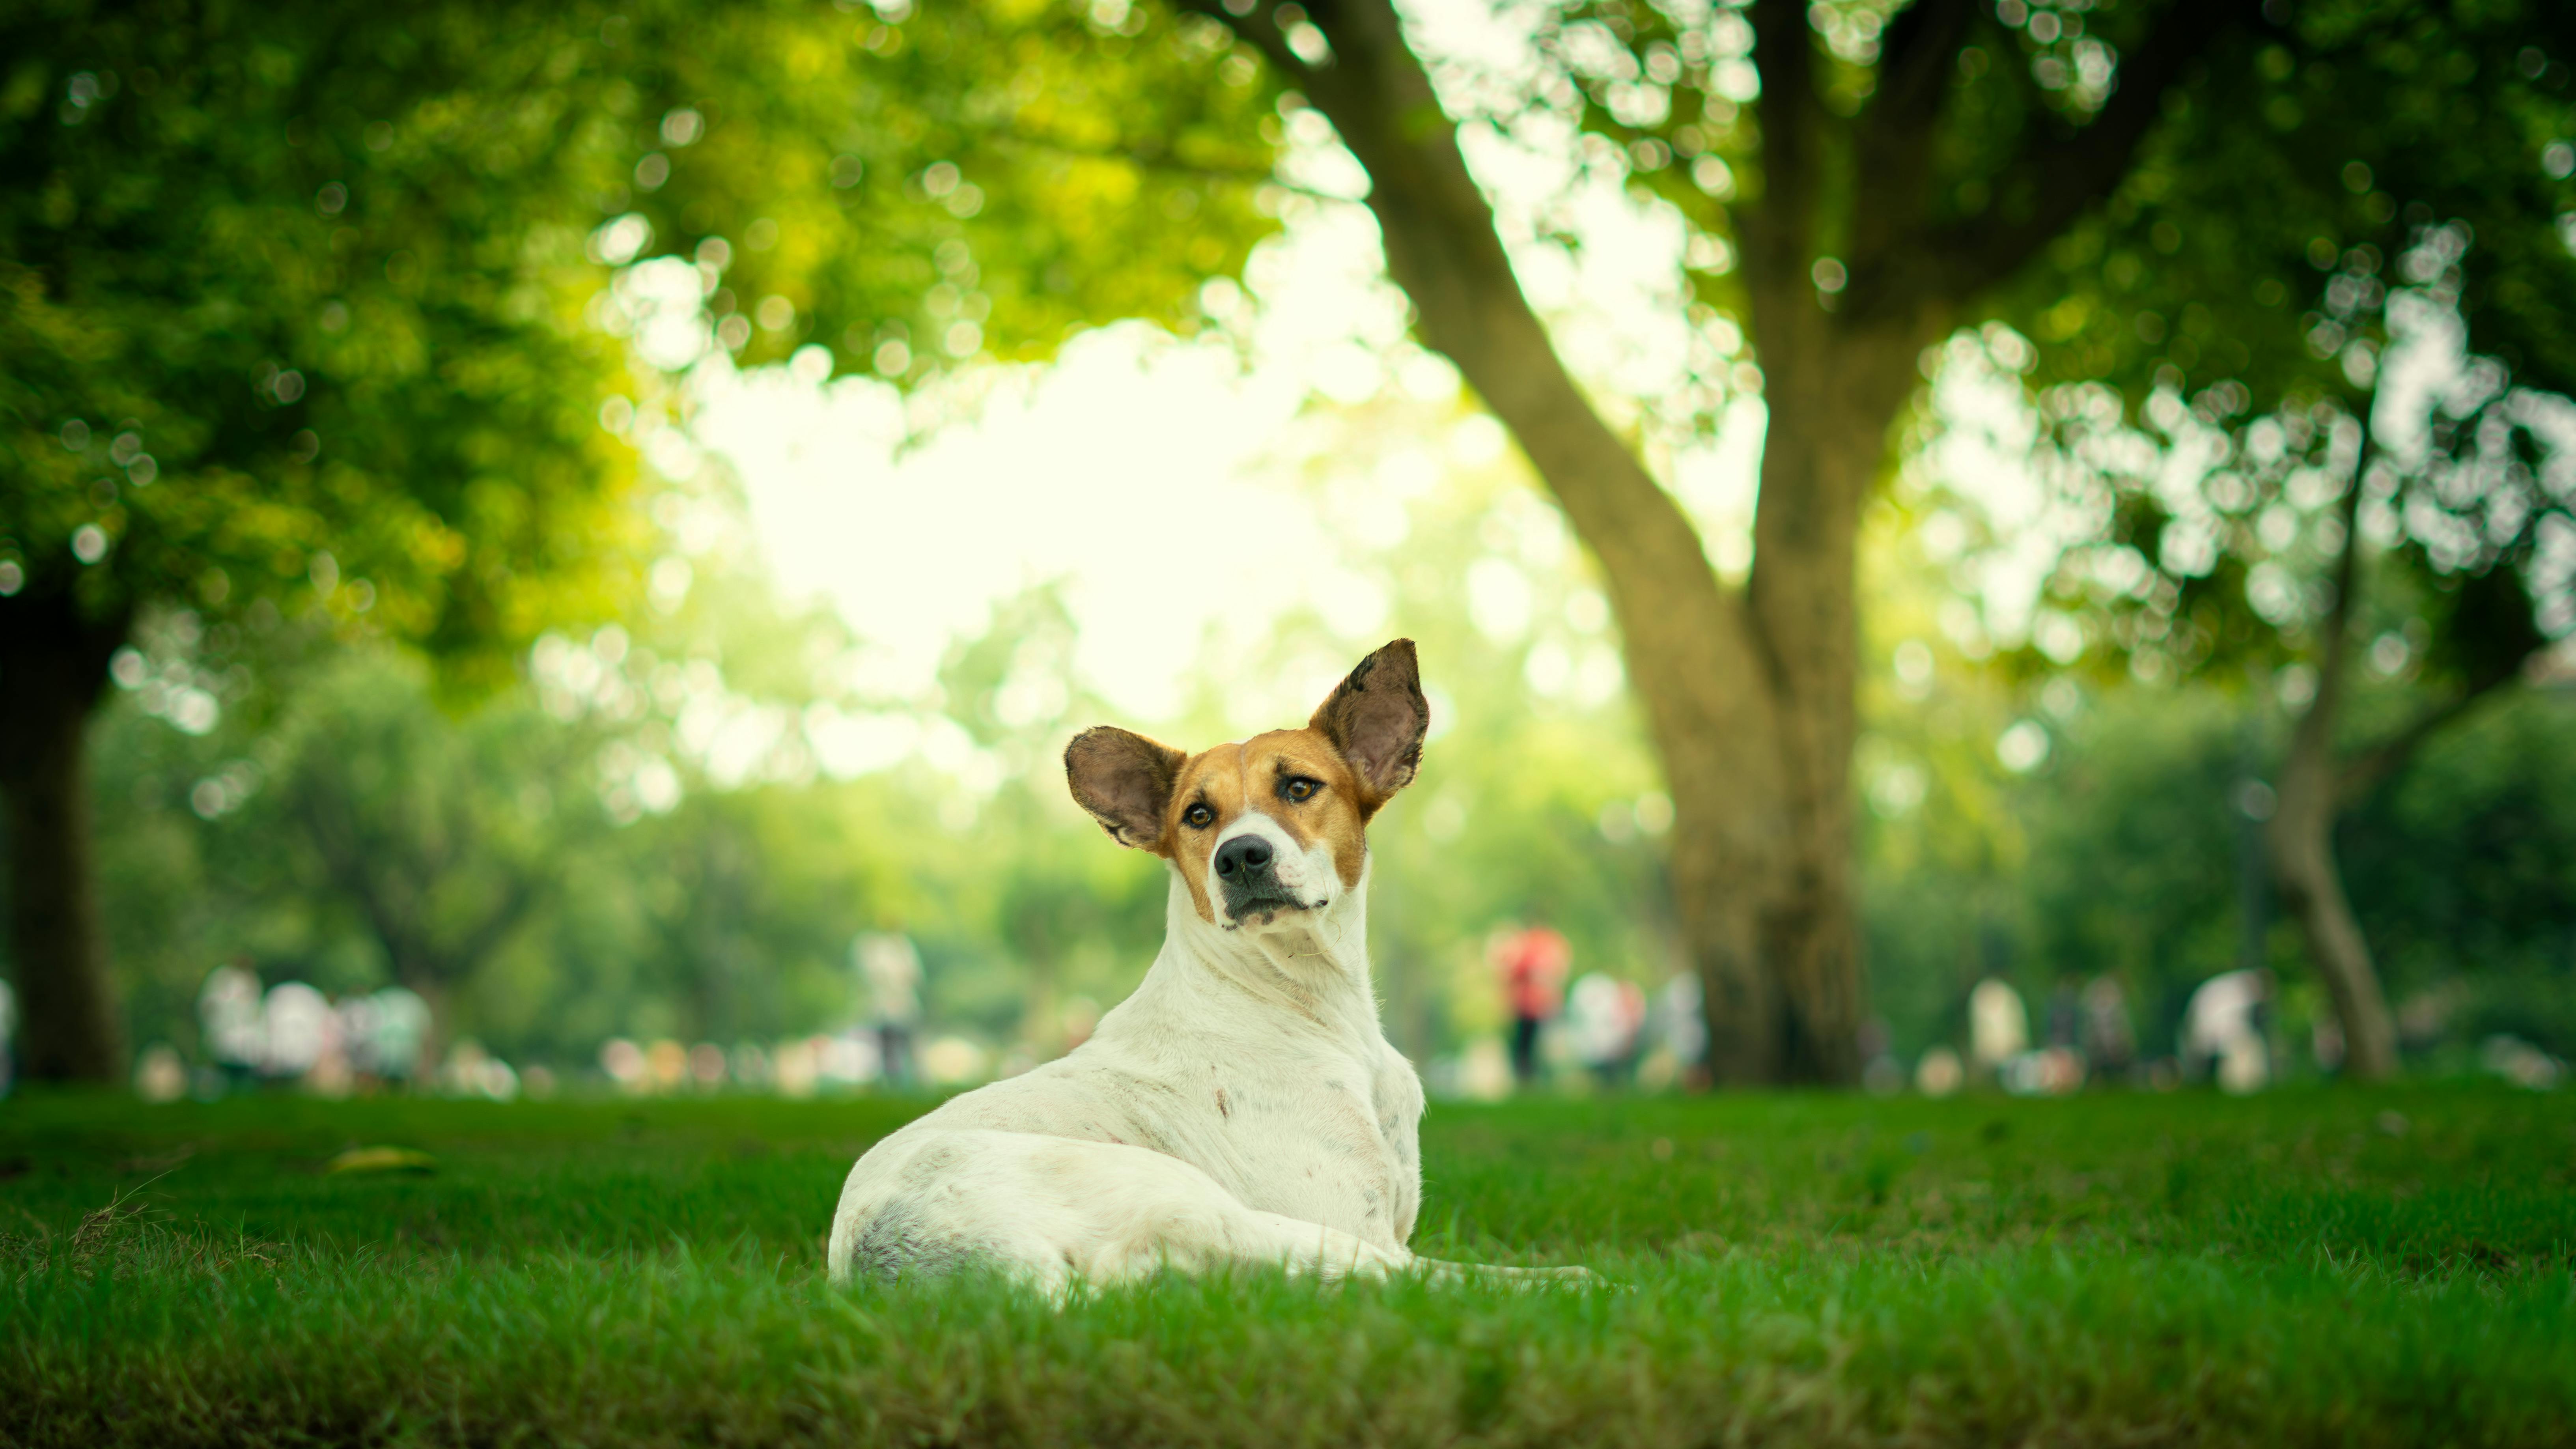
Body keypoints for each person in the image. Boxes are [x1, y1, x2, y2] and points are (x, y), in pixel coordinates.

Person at [1492, 923, 1570, 1087]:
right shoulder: (1552, 945)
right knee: (1530, 1046)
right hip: (1532, 1006)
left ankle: (1532, 1078)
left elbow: (1514, 972)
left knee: (1529, 1047)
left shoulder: (1527, 946)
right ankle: (1531, 1079)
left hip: (1533, 1006)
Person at [856, 931, 924, 1089]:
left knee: (907, 1047)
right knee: (888, 1049)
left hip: (903, 1009)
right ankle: (893, 1083)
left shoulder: (904, 948)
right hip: (886, 1010)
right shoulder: (877, 949)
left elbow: (914, 976)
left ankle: (909, 1082)